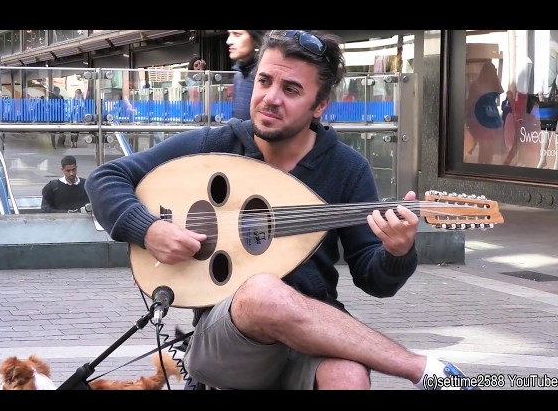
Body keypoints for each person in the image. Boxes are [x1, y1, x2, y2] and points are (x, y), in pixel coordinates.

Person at [85, 30, 477, 390]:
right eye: (265, 81)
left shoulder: (345, 167)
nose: (271, 98)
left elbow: (374, 281)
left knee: (349, 375)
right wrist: (150, 230)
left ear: (319, 105)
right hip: (227, 339)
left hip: (310, 332)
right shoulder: (215, 144)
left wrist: (397, 253)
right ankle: (422, 370)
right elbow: (105, 179)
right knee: (262, 292)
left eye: (291, 89)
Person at [226, 30, 265, 120]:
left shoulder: (264, 76)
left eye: (237, 34)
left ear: (254, 39)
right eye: (229, 34)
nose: (229, 41)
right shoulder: (239, 74)